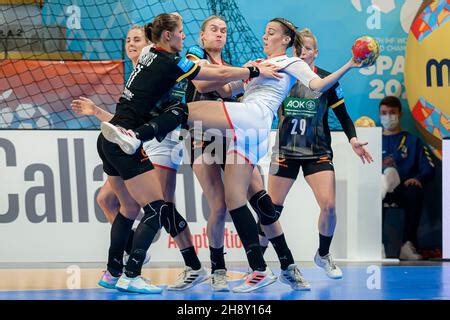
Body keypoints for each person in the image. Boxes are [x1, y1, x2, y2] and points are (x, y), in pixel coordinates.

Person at [106, 17, 366, 292]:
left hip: (252, 118)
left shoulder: (292, 63)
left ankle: (135, 136)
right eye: (265, 33)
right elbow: (226, 89)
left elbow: (318, 85)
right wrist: (245, 72)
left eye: (271, 33)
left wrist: (350, 64)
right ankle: (263, 268)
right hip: (240, 132)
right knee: (234, 200)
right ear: (203, 36)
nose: (265, 37)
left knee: (183, 113)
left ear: (287, 40)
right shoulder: (245, 62)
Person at [97, 13, 280, 294]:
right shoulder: (174, 62)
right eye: (180, 31)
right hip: (139, 138)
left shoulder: (149, 54)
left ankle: (114, 271)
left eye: (137, 39)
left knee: (128, 207)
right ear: (168, 37)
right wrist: (252, 71)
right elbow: (209, 78)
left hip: (115, 136)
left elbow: (218, 79)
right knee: (157, 208)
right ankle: (134, 272)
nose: (184, 35)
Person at [71, 24, 209, 291]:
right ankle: (125, 265)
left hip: (159, 141)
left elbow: (192, 88)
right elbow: (124, 123)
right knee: (116, 201)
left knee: (158, 207)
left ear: (150, 45)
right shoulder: (138, 73)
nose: (131, 44)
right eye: (128, 40)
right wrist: (98, 111)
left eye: (137, 40)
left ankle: (184, 264)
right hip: (131, 139)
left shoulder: (164, 65)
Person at [256, 28, 373, 284]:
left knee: (329, 206)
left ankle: (323, 254)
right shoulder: (281, 76)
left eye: (307, 49)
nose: (303, 52)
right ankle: (258, 264)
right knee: (270, 210)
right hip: (286, 151)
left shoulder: (325, 80)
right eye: (299, 49)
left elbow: (343, 116)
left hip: (317, 152)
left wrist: (353, 139)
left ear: (315, 52)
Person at [380, 95, 434, 260]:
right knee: (369, 193)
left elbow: (429, 167)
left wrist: (418, 178)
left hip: (403, 188)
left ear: (400, 114)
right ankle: (374, 244)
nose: (388, 117)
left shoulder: (412, 141)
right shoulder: (371, 139)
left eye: (392, 112)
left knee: (414, 191)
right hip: (378, 188)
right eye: (383, 113)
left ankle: (407, 244)